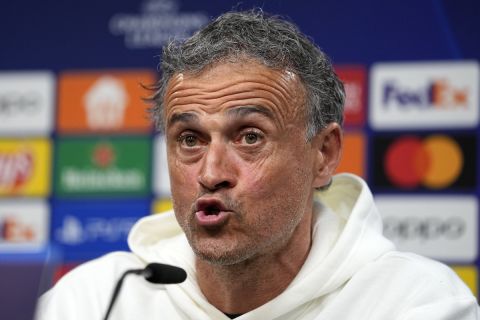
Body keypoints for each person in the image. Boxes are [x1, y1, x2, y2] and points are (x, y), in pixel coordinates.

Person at [36, 9, 479, 320]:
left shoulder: (416, 304)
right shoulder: (93, 302)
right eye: (189, 139)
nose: (211, 173)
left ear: (323, 154)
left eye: (250, 137)